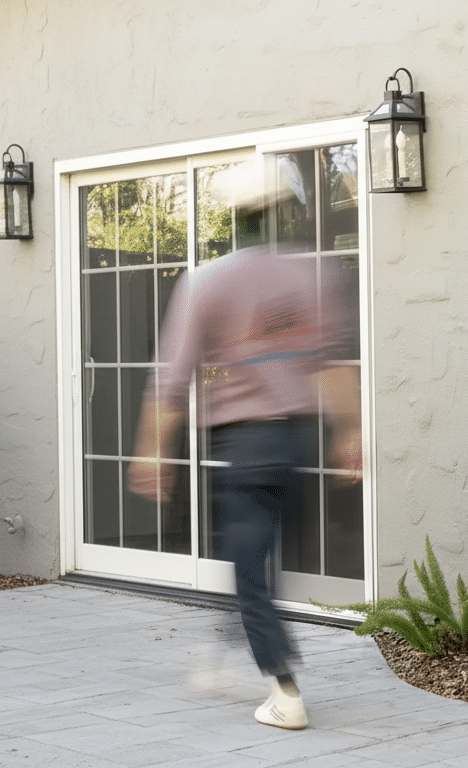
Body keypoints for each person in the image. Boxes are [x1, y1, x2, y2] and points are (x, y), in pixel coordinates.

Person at [129, 158, 361, 730]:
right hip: (297, 440)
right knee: (258, 557)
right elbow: (332, 366)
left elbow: (171, 380)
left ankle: (284, 690)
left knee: (249, 566)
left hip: (244, 445)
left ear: (234, 215)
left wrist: (151, 449)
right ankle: (223, 652)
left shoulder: (206, 280)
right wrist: (350, 434)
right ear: (289, 209)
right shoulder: (314, 277)